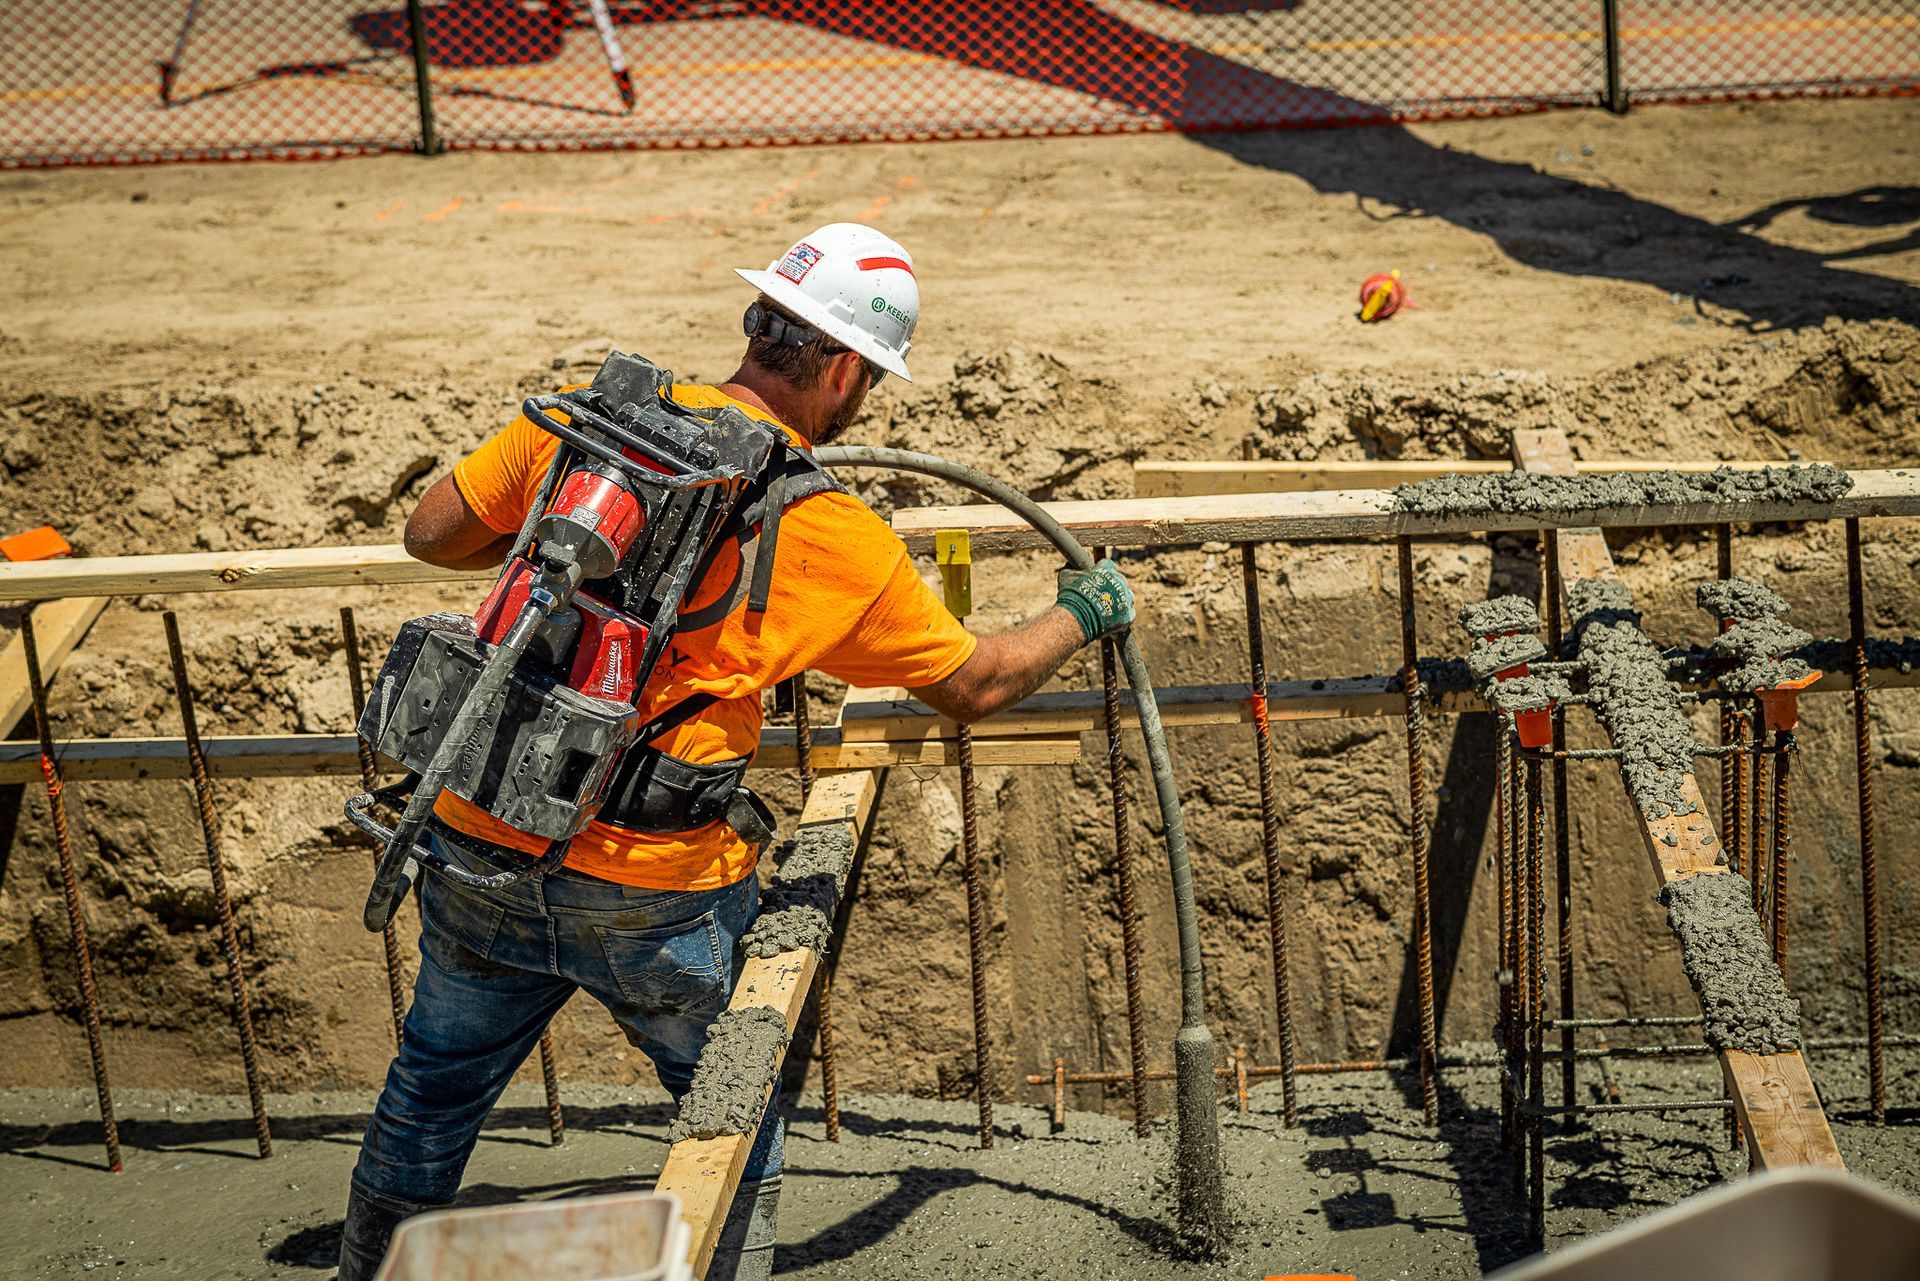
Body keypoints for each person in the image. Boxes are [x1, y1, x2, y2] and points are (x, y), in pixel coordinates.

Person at [336, 223, 1133, 1280]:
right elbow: (975, 684)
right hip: (655, 892)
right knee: (727, 1116)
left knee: (428, 1096)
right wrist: (1083, 609)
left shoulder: (588, 425)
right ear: (845, 369)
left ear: (758, 324)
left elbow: (431, 536)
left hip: (481, 837)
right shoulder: (829, 531)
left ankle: (366, 1271)